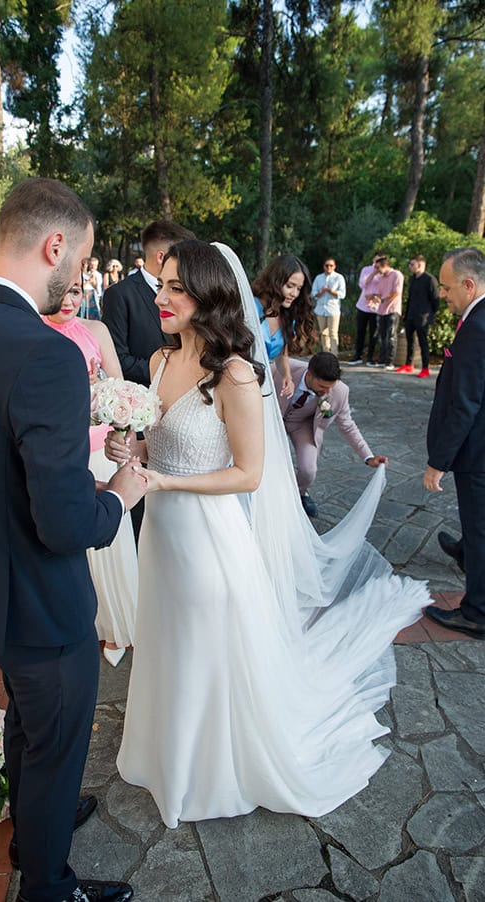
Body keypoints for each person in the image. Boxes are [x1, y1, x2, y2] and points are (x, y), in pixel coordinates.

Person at [106, 238, 428, 830]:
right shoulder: (158, 362)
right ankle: (164, 754)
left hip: (207, 538)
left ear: (209, 297)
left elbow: (247, 472)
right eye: (163, 284)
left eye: (178, 287)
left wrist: (164, 484)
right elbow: (164, 443)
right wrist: (131, 446)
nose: (162, 296)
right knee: (168, 635)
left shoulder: (233, 373)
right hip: (161, 538)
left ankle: (209, 770)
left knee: (205, 643)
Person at [0, 177, 146, 902]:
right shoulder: (43, 353)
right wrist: (120, 495)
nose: (77, 280)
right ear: (54, 245)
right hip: (39, 602)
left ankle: (33, 827)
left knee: (28, 719)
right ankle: (48, 886)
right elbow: (64, 522)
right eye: (77, 263)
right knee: (54, 740)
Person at [42, 283, 138, 667]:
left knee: (108, 540)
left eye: (77, 292)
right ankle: (76, 622)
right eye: (62, 292)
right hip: (59, 451)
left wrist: (123, 434)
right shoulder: (32, 329)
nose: (69, 301)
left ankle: (115, 622)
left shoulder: (96, 331)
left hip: (99, 449)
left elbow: (122, 391)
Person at [423, 246, 485, 640]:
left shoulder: (477, 328)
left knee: (480, 527)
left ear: (468, 284)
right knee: (476, 530)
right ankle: (465, 551)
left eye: (446, 288)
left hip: (477, 453)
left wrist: (438, 461)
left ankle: (477, 612)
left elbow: (465, 403)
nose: (443, 295)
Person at [275, 352, 388, 518]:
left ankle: (299, 493)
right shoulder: (281, 368)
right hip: (272, 420)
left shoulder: (340, 392)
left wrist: (368, 457)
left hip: (303, 426)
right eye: (322, 386)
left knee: (309, 470)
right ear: (310, 374)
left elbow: (347, 425)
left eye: (330, 387)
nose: (327, 391)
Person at [102, 219, 195, 386]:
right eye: (181, 257)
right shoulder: (120, 294)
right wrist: (171, 372)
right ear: (161, 257)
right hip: (143, 395)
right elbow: (117, 358)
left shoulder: (188, 294)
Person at [251, 254, 315, 397]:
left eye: (299, 288)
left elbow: (282, 354)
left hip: (261, 383)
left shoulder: (287, 316)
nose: (294, 294)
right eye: (290, 286)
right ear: (274, 281)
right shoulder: (251, 307)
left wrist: (287, 376)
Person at [396, 255, 439, 378]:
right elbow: (409, 297)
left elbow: (435, 299)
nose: (410, 267)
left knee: (423, 341)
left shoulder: (430, 279)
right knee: (409, 340)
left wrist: (431, 314)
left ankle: (425, 368)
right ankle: (408, 364)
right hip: (411, 314)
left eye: (412, 264)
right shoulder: (412, 279)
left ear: (420, 265)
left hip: (423, 316)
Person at [347, 254, 383, 365]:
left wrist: (375, 296)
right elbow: (363, 284)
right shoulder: (366, 270)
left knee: (373, 334)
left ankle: (370, 357)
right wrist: (374, 273)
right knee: (360, 331)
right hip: (363, 305)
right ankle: (358, 355)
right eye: (376, 260)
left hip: (376, 307)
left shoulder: (385, 274)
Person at [372, 256, 403, 369]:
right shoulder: (380, 278)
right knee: (381, 336)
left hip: (392, 309)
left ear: (385, 265)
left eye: (378, 267)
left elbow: (396, 293)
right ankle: (381, 360)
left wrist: (384, 300)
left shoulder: (396, 275)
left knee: (391, 336)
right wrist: (376, 299)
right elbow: (379, 293)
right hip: (381, 310)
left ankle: (390, 361)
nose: (376, 270)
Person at [311, 257, 346, 355]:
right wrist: (321, 292)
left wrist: (331, 291)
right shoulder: (319, 278)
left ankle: (334, 354)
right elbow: (313, 293)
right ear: (324, 267)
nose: (329, 267)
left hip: (333, 309)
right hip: (321, 309)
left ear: (334, 266)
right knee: (323, 333)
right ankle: (326, 354)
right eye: (327, 265)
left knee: (333, 333)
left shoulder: (339, 277)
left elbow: (342, 294)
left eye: (331, 265)